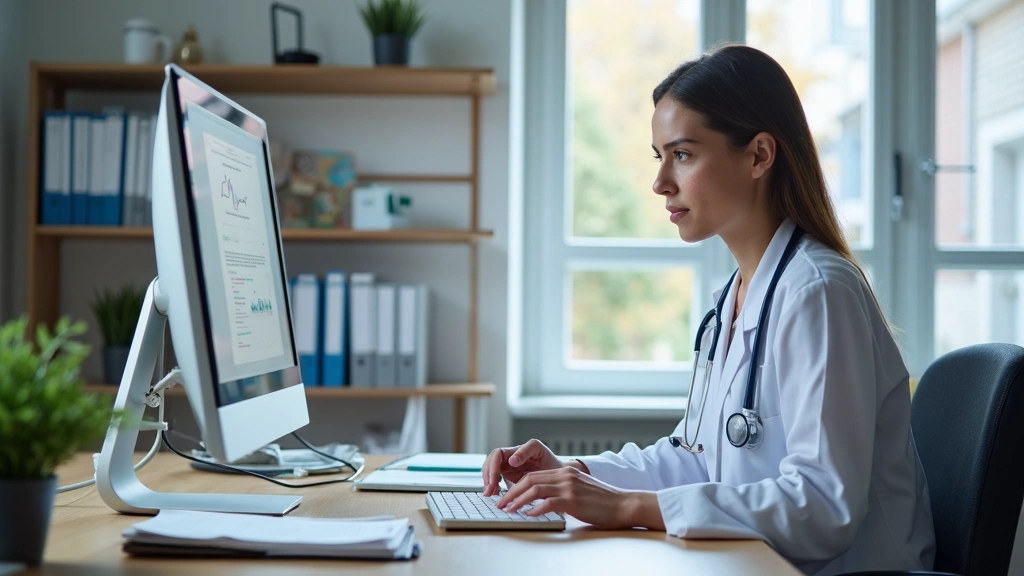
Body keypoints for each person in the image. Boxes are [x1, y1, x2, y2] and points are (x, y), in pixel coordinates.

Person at [483, 45, 936, 575]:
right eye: (660, 157)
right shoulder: (739, 295)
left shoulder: (817, 291)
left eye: (683, 154)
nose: (660, 183)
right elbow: (696, 456)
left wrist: (629, 507)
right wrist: (576, 473)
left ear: (759, 156)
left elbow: (823, 506)